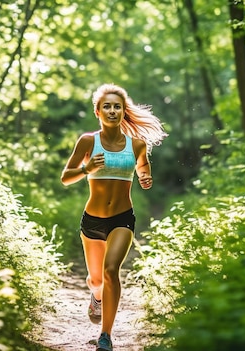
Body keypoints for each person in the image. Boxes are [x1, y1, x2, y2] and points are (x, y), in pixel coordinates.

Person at [60, 83, 167, 351]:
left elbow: (144, 170)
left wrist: (145, 178)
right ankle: (96, 296)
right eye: (106, 106)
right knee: (96, 279)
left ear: (123, 111)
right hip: (93, 220)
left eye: (117, 106)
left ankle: (106, 334)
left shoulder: (137, 145)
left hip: (122, 218)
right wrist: (86, 168)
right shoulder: (87, 141)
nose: (112, 110)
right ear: (98, 111)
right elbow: (65, 177)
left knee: (111, 271)